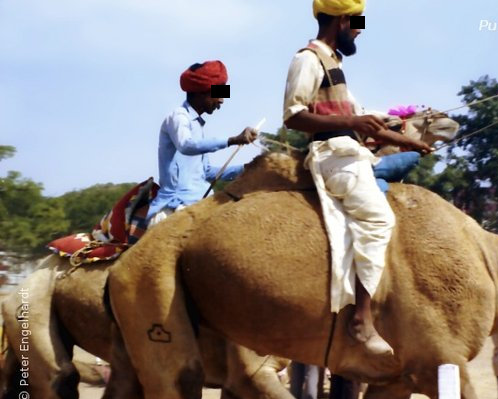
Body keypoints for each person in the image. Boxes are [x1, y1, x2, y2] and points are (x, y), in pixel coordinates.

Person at [283, 0, 433, 357]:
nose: (360, 30)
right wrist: (352, 124)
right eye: (358, 22)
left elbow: (364, 119)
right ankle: (361, 320)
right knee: (380, 220)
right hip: (332, 158)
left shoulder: (335, 65)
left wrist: (406, 139)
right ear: (342, 20)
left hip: (350, 153)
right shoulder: (307, 58)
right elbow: (293, 115)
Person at [147, 60, 257, 227]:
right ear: (201, 93)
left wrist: (246, 169)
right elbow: (186, 145)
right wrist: (233, 140)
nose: (221, 101)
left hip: (200, 206)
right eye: (219, 93)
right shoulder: (178, 117)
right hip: (174, 210)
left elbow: (205, 172)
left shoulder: (198, 126)